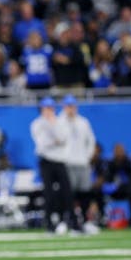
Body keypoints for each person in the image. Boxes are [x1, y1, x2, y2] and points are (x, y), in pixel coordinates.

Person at [30, 97, 75, 233]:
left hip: (60, 160)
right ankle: (49, 224)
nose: (49, 111)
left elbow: (62, 139)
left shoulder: (60, 122)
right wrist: (53, 138)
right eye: (46, 108)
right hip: (46, 160)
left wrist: (52, 126)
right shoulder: (36, 123)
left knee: (67, 192)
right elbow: (42, 144)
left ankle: (71, 222)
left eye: (51, 108)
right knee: (48, 193)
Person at [58, 95, 96, 230]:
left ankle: (85, 221)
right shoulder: (59, 122)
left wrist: (88, 156)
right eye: (68, 106)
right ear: (64, 107)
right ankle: (65, 220)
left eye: (72, 106)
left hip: (82, 162)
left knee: (85, 193)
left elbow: (91, 141)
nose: (70, 109)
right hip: (67, 162)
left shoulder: (83, 122)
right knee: (68, 194)